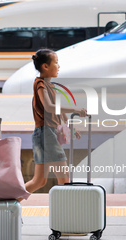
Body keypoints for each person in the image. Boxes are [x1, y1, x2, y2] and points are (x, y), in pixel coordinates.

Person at [24, 48, 87, 194]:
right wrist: (75, 109)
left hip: (44, 135)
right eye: (56, 63)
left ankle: (10, 203)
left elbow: (58, 110)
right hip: (47, 134)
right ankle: (66, 213)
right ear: (45, 66)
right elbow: (49, 107)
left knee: (39, 181)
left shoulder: (50, 85)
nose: (59, 66)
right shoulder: (40, 84)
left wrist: (70, 127)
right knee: (64, 179)